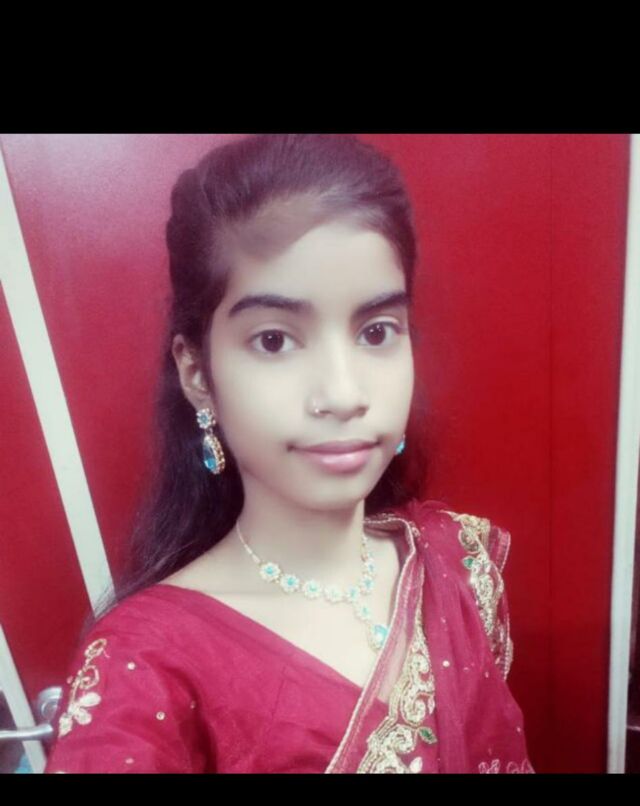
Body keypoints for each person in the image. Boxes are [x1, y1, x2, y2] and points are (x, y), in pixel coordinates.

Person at [44, 134, 534, 774]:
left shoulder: (451, 560)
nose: (344, 394)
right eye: (274, 340)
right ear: (197, 373)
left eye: (377, 331)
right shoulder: (145, 673)